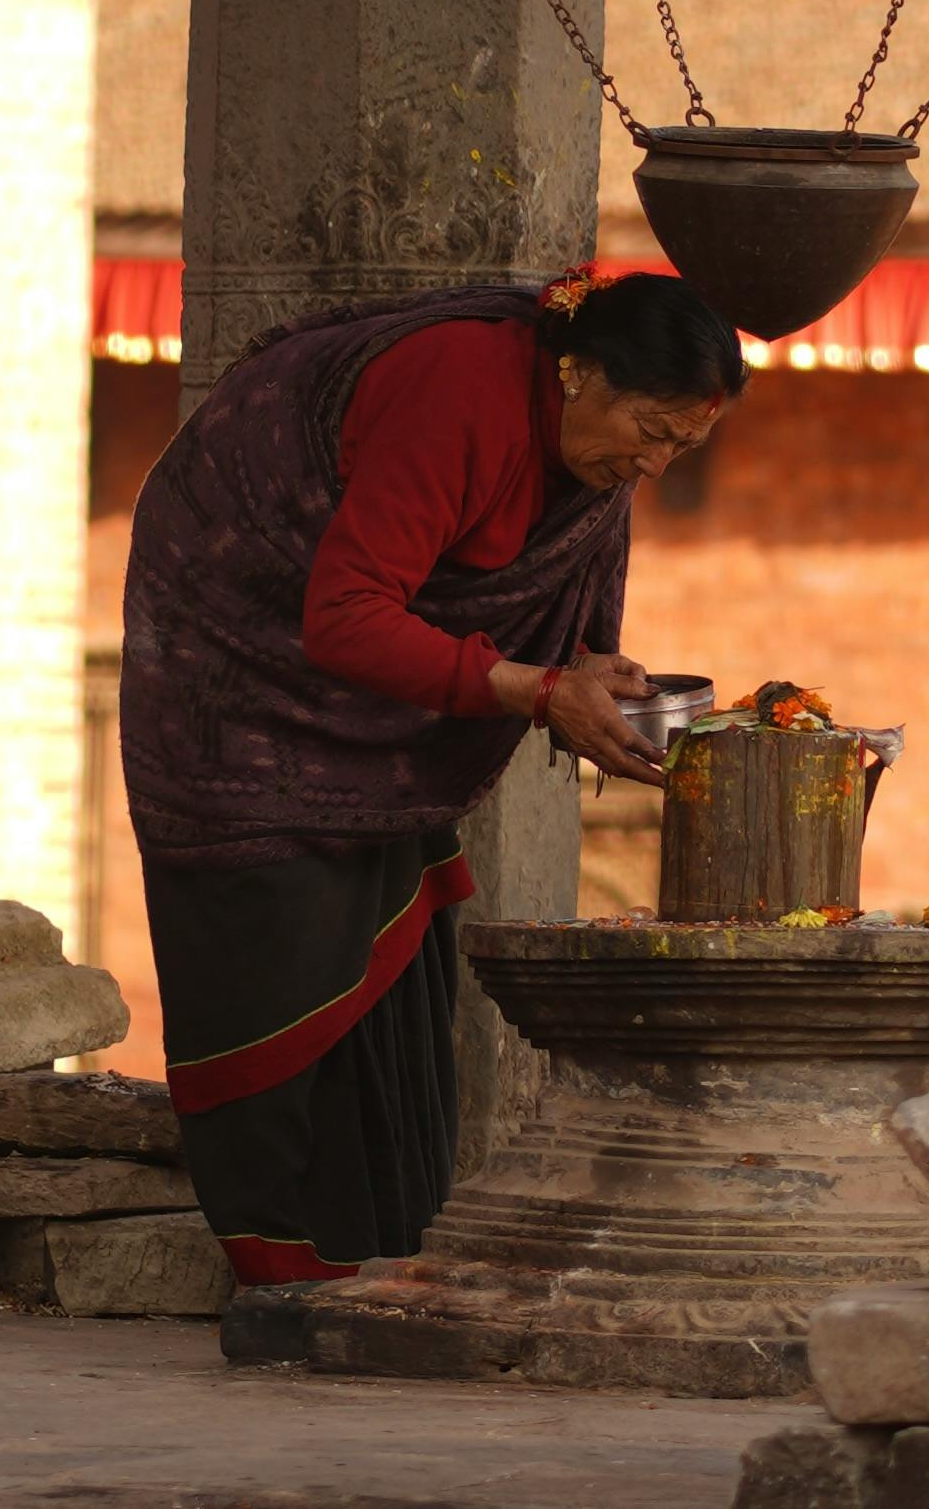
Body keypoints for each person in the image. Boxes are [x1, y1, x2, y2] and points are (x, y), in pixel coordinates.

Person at [119, 265, 745, 1294]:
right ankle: (283, 1275)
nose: (656, 462)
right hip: (243, 654)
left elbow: (504, 584)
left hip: (375, 699)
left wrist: (578, 663)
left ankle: (374, 1262)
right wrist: (537, 691)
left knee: (387, 953)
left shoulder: (587, 452)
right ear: (578, 370)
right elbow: (348, 617)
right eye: (652, 427)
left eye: (683, 445)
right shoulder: (458, 394)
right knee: (278, 945)